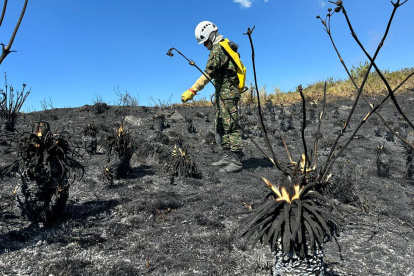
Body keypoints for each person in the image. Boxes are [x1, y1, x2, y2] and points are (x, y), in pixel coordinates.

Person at [181, 21, 246, 173]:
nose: (205, 46)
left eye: (206, 42)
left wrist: (193, 90)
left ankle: (236, 161)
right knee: (221, 124)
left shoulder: (219, 49)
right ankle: (227, 156)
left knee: (231, 124)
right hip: (222, 92)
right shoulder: (219, 48)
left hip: (228, 93)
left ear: (211, 35)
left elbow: (207, 74)